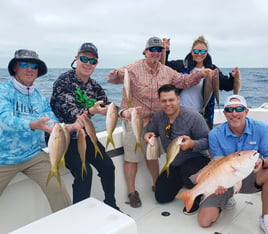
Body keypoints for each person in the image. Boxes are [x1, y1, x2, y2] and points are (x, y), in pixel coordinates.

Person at [108, 36, 214, 208]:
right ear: (145, 51)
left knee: (152, 154)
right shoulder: (132, 68)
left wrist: (201, 74)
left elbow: (184, 81)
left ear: (162, 52)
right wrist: (116, 74)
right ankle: (132, 192)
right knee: (132, 158)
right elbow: (112, 79)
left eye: (159, 50)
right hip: (135, 119)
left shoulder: (167, 71)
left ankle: (157, 183)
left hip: (157, 120)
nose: (156, 53)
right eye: (152, 49)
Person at [0, 49, 74, 212]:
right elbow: (5, 120)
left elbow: (52, 121)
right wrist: (32, 124)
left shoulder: (39, 97)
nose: (29, 69)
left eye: (34, 65)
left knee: (57, 188)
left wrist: (67, 127)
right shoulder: (3, 91)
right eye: (24, 64)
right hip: (3, 157)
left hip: (33, 155)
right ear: (15, 68)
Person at [50, 42, 120, 210]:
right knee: (84, 174)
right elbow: (69, 111)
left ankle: (111, 204)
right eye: (84, 59)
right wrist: (90, 110)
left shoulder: (95, 86)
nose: (88, 64)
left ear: (96, 64)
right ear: (76, 59)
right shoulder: (63, 81)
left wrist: (124, 112)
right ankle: (79, 216)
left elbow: (107, 105)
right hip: (64, 139)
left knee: (108, 167)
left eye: (92, 61)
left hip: (85, 135)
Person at [197, 95, 268, 234]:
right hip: (225, 179)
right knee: (205, 221)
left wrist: (263, 161)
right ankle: (226, 197)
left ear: (246, 111)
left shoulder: (262, 129)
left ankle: (265, 218)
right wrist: (216, 185)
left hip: (251, 175)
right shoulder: (215, 134)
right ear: (224, 113)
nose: (234, 113)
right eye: (229, 110)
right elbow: (216, 164)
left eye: (239, 109)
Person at [144, 84, 210, 214]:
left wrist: (192, 144)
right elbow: (152, 130)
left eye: (171, 100)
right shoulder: (159, 117)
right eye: (164, 101)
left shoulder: (193, 117)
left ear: (178, 99)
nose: (168, 104)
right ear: (159, 102)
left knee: (187, 170)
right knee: (161, 197)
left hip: (197, 160)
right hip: (174, 163)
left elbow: (208, 141)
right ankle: (183, 181)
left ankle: (197, 195)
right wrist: (148, 134)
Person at [162, 36, 241, 129]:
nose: (199, 54)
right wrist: (166, 50)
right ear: (191, 52)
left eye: (203, 51)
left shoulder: (212, 70)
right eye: (196, 51)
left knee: (200, 142)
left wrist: (233, 77)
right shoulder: (181, 66)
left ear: (207, 53)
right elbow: (164, 66)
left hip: (202, 116)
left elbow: (227, 86)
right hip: (179, 113)